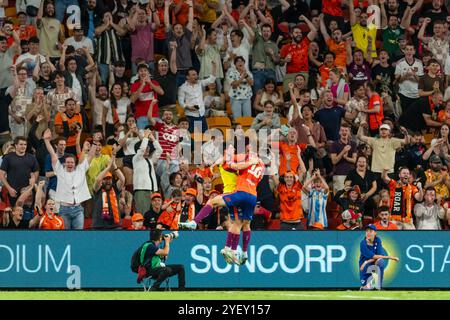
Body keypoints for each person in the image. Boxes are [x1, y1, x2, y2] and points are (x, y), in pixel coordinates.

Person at [43, 128, 97, 230]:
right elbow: (53, 155)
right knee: (65, 236)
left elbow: (90, 156)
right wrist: (46, 141)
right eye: (68, 162)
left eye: (72, 162)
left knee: (78, 236)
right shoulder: (59, 170)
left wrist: (94, 143)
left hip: (78, 210)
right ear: (64, 163)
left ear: (75, 163)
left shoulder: (80, 170)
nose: (70, 164)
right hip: (64, 210)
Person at [0, 135, 39, 207]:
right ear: (16, 145)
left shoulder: (31, 157)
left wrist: (32, 183)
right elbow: (1, 175)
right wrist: (9, 188)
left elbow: (36, 172)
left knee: (27, 214)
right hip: (13, 192)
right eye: (21, 144)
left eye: (25, 144)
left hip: (28, 193)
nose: (23, 146)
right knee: (13, 214)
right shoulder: (8, 157)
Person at [359, 224, 399, 290]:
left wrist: (366, 262)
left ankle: (378, 287)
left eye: (371, 231)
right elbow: (374, 256)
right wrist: (392, 257)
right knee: (367, 290)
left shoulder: (378, 240)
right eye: (367, 231)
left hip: (373, 266)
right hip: (365, 269)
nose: (368, 233)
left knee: (380, 261)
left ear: (375, 233)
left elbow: (379, 256)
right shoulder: (363, 243)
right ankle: (365, 287)